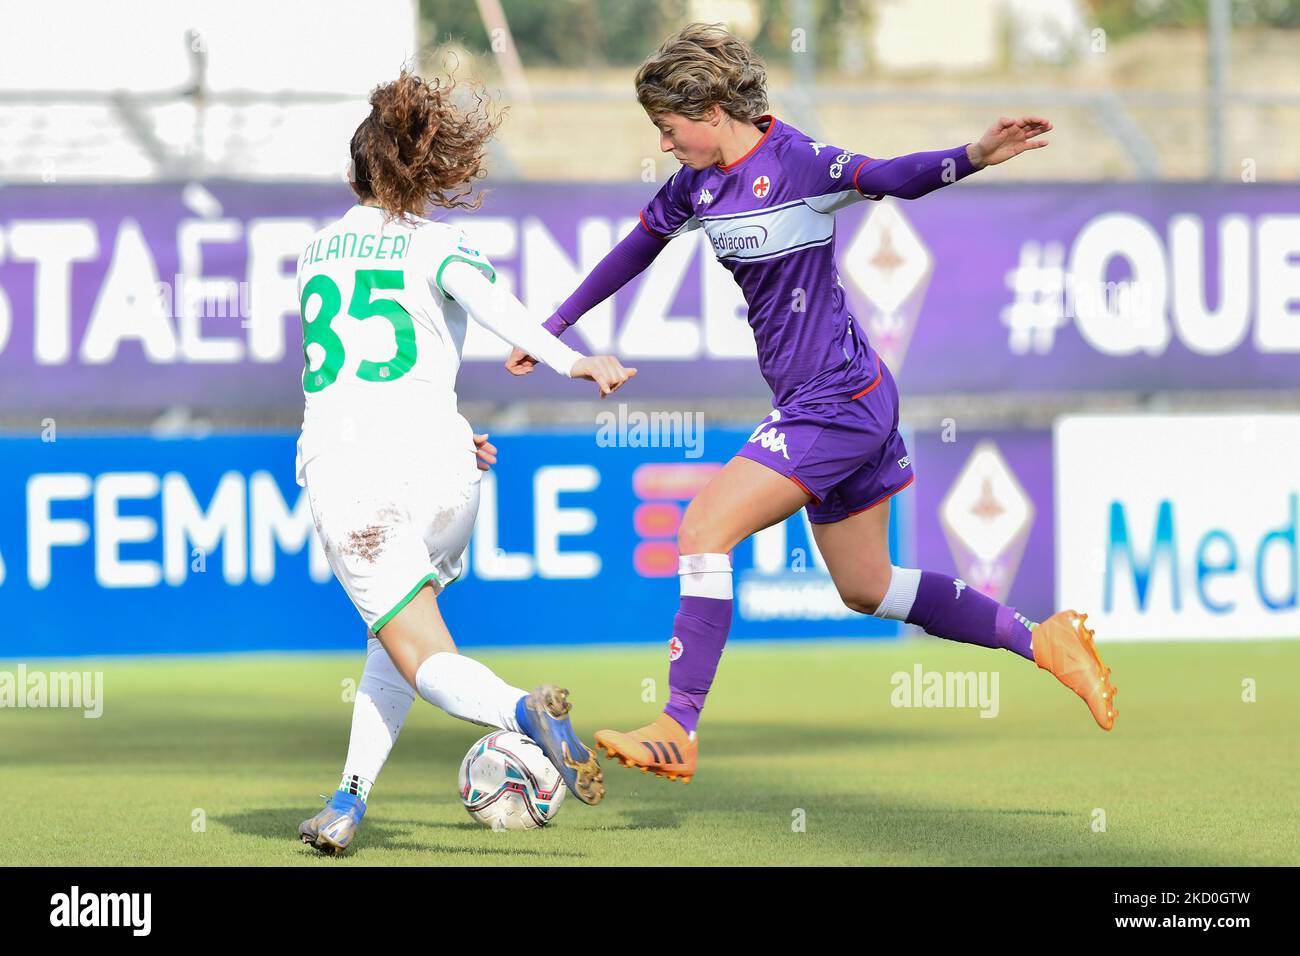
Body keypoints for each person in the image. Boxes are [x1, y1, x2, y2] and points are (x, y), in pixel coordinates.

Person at [507, 23, 1116, 785]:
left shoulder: (796, 162)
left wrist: (973, 157)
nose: (664, 145)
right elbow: (635, 249)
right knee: (868, 587)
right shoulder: (695, 186)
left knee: (701, 529)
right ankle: (1044, 640)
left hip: (836, 402)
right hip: (844, 398)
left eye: (668, 129)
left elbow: (889, 175)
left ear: (709, 110)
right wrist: (553, 326)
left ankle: (678, 726)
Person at [296, 68, 636, 853]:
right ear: (423, 174)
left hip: (354, 474)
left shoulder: (316, 252)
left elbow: (347, 377)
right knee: (393, 639)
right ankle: (347, 801)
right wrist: (573, 361)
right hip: (452, 469)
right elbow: (496, 309)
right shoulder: (441, 243)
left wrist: (571, 361)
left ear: (353, 174)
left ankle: (523, 712)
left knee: (420, 652)